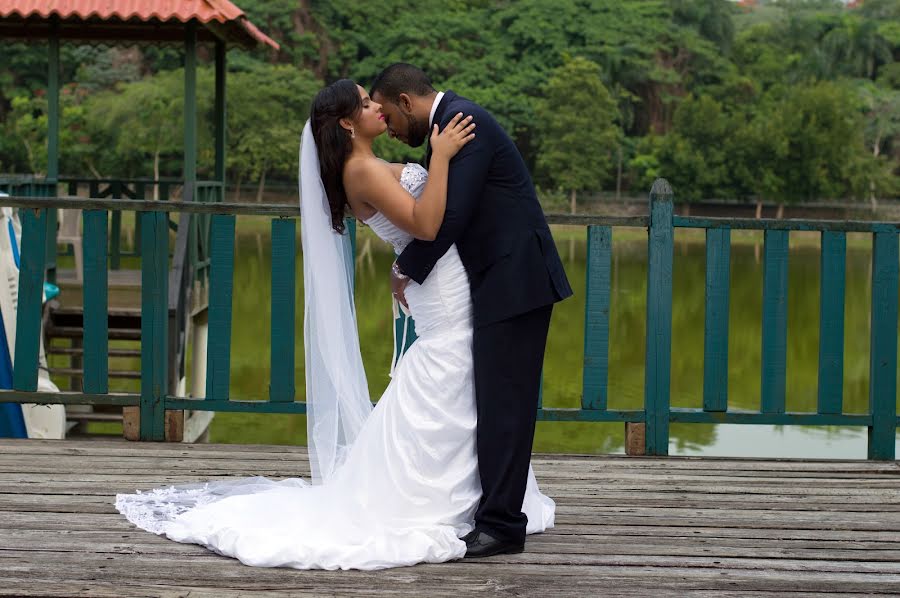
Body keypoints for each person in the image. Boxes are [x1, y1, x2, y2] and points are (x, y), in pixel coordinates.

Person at [114, 78, 555, 571]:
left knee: (465, 382)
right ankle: (445, 501)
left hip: (451, 278)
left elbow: (441, 218)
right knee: (452, 373)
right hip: (442, 287)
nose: (379, 113)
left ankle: (475, 500)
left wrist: (405, 259)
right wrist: (443, 160)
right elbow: (428, 225)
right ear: (348, 122)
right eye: (368, 106)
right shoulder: (362, 169)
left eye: (378, 103)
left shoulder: (367, 164)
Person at [370, 64, 572, 558]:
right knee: (497, 401)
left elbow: (451, 216)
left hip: (517, 280)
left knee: (507, 405)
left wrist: (405, 267)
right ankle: (495, 515)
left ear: (405, 101)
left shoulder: (465, 123)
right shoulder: (446, 130)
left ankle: (502, 526)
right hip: (499, 281)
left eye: (391, 121)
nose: (392, 133)